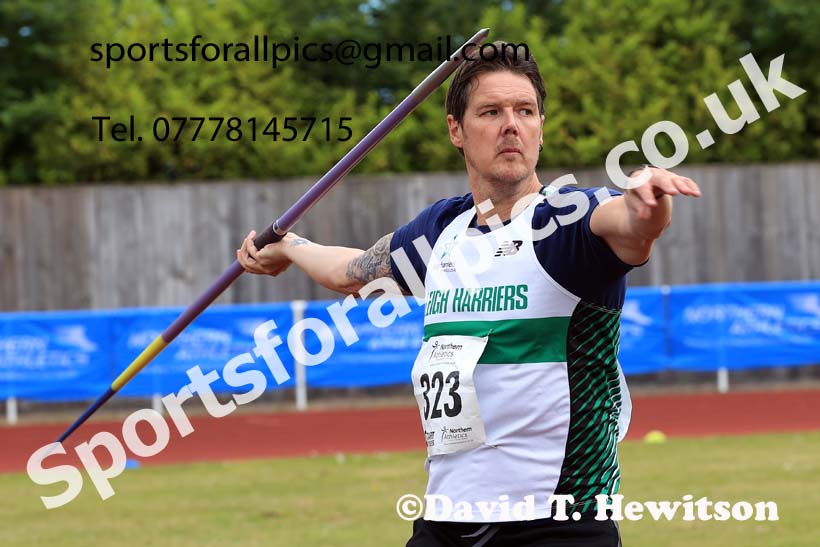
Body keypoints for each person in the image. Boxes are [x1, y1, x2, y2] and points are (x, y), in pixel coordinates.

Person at [237, 42, 700, 547]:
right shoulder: (443, 230)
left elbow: (630, 222)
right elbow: (353, 272)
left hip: (558, 524)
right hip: (446, 517)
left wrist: (647, 200)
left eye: (525, 111)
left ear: (541, 127)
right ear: (456, 129)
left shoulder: (566, 223)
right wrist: (290, 246)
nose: (511, 125)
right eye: (491, 112)